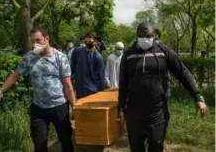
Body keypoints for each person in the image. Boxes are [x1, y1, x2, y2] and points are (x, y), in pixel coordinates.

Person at [118, 22, 207, 152]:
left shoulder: (164, 52)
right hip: (134, 113)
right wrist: (120, 107)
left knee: (156, 147)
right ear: (137, 36)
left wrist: (197, 97)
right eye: (141, 36)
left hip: (157, 112)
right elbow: (123, 82)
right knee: (136, 148)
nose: (144, 39)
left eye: (147, 36)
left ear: (154, 36)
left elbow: (183, 73)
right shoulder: (128, 55)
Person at [0, 27, 76, 152]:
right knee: (39, 145)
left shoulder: (60, 57)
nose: (35, 44)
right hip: (39, 108)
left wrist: (74, 107)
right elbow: (15, 75)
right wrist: (0, 91)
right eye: (33, 41)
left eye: (38, 40)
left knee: (66, 141)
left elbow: (68, 85)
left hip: (59, 107)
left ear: (47, 39)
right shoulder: (29, 57)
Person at [71, 31, 106, 99]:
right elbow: (72, 66)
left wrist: (102, 95)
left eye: (90, 38)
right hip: (80, 90)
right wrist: (72, 78)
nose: (87, 40)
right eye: (85, 38)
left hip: (93, 92)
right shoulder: (77, 51)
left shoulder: (98, 57)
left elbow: (102, 78)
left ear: (95, 41)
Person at [154, 28, 171, 98]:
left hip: (163, 83)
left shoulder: (164, 49)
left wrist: (167, 91)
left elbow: (167, 74)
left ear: (157, 36)